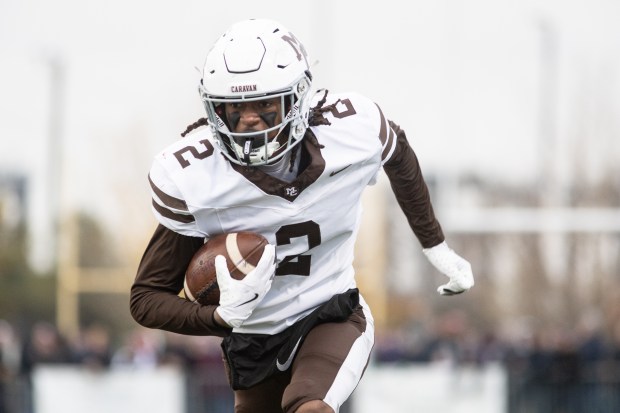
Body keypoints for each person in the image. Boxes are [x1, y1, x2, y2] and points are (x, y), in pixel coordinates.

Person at [130, 18, 474, 413]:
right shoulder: (197, 179)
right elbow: (145, 298)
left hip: (330, 312)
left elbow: (399, 153)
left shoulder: (350, 131)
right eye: (234, 108)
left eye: (264, 105)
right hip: (251, 341)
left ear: (296, 100)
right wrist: (219, 317)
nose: (248, 121)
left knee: (309, 406)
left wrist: (435, 245)